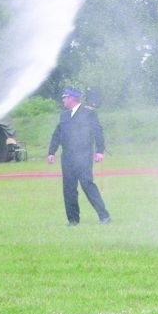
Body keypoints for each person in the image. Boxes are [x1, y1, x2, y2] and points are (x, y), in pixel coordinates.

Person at [47, 87, 111, 226]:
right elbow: (57, 134)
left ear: (71, 98)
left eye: (65, 97)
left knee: (87, 184)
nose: (63, 100)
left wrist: (100, 150)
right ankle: (73, 220)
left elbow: (97, 131)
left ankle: (104, 216)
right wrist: (51, 152)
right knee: (68, 188)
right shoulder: (64, 115)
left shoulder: (88, 113)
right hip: (67, 157)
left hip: (83, 154)